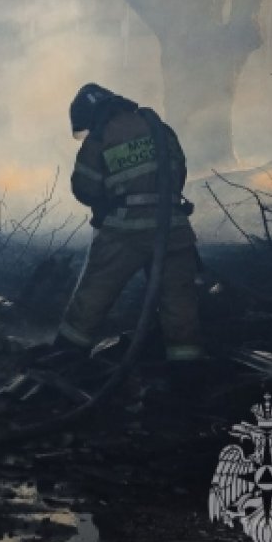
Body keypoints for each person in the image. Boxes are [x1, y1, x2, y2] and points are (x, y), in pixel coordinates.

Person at [53, 83, 203, 364]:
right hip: (174, 227)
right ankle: (185, 369)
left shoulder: (100, 136)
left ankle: (65, 357)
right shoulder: (158, 127)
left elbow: (85, 189)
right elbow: (179, 172)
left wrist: (112, 199)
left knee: (95, 294)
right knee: (179, 303)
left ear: (90, 114)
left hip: (125, 231)